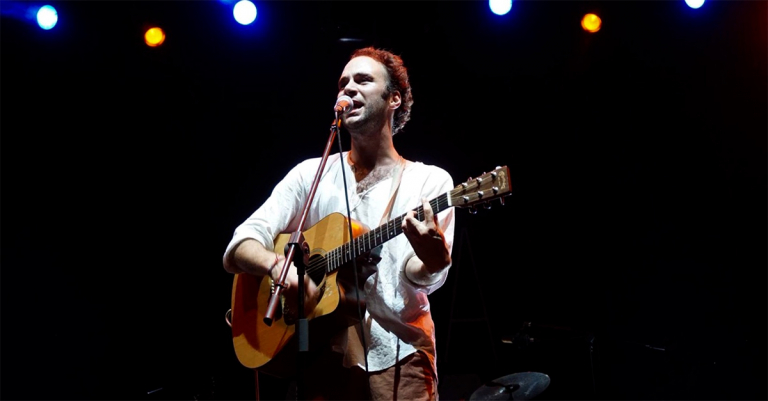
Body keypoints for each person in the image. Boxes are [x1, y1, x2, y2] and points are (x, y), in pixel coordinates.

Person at [222, 46, 455, 401]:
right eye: (343, 83)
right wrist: (278, 267)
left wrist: (433, 261)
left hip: (398, 353)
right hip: (323, 354)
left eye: (363, 80)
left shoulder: (429, 182)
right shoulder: (311, 174)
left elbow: (415, 275)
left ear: (393, 99)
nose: (348, 89)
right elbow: (241, 243)